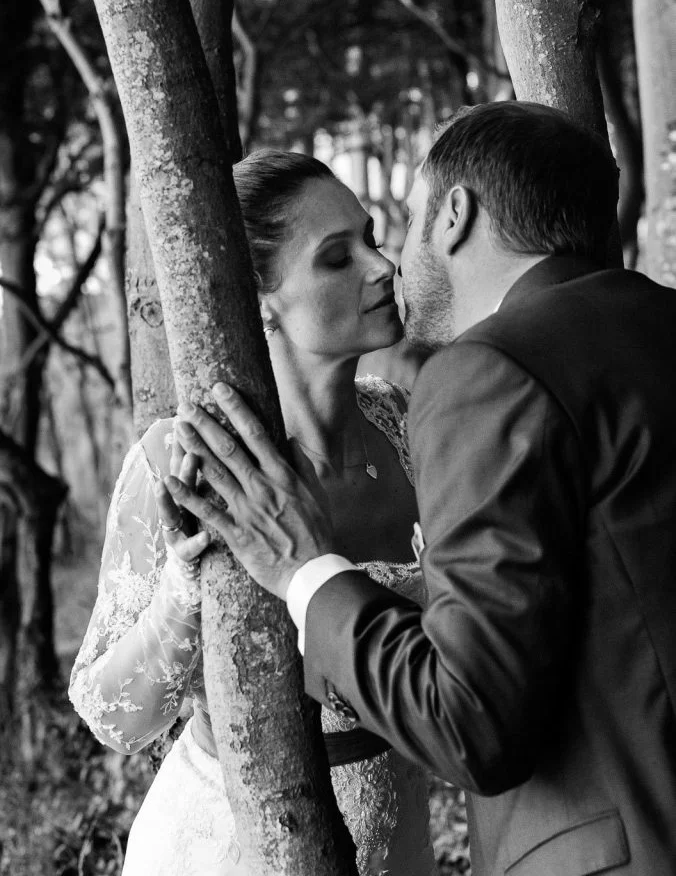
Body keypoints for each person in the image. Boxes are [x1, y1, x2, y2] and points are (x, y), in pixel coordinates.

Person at [168, 102, 676, 876]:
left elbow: (471, 721)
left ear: (455, 215)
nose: (390, 266)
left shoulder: (487, 375)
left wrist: (305, 570)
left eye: (394, 227)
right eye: (342, 255)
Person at [69, 150, 438, 876]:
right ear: (259, 298)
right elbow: (110, 714)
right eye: (337, 258)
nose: (381, 265)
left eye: (370, 237)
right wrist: (187, 588)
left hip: (401, 836)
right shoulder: (183, 460)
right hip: (229, 842)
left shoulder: (405, 426)